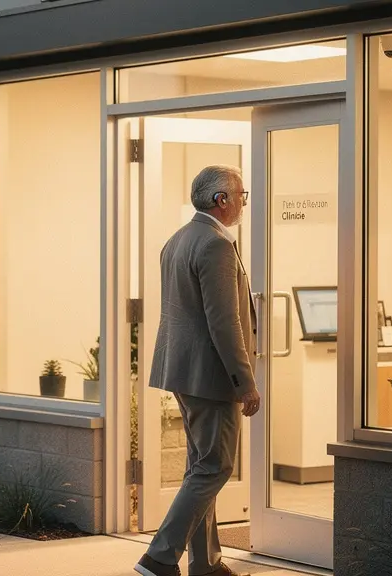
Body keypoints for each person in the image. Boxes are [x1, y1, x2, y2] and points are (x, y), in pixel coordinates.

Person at [135, 165, 261, 576]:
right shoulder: (215, 245)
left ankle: (205, 562)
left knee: (201, 464)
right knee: (215, 466)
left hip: (183, 372)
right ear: (221, 200)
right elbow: (224, 322)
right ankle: (159, 555)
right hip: (211, 377)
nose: (244, 201)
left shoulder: (177, 240)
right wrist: (245, 383)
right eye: (241, 195)